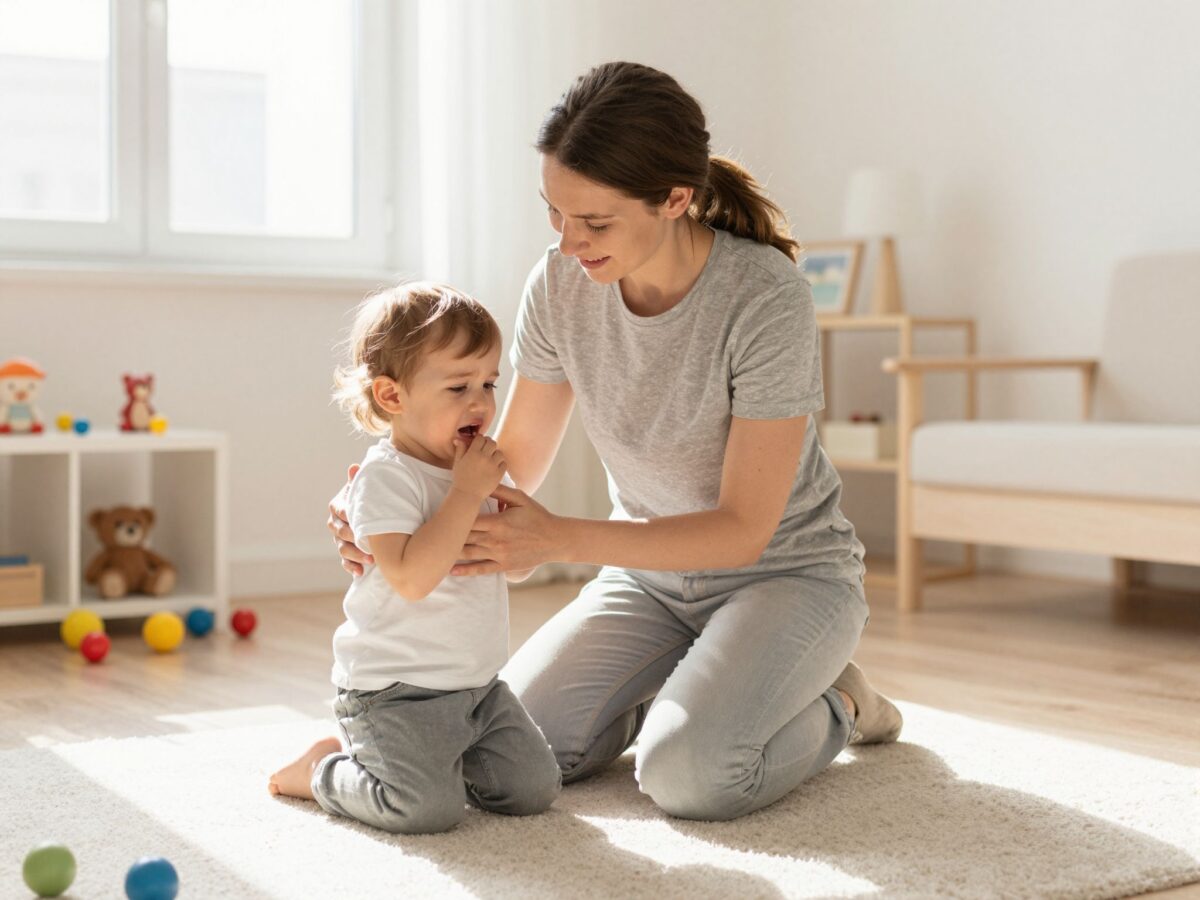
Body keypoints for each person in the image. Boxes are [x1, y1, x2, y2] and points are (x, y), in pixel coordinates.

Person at [329, 62, 902, 822]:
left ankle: (837, 701)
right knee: (508, 755)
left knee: (693, 775)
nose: (569, 244)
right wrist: (393, 503)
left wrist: (558, 538)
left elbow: (743, 530)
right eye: (555, 214)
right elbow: (515, 459)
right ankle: (708, 686)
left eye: (593, 223)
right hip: (649, 582)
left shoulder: (765, 297)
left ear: (675, 198)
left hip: (785, 575)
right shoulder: (562, 285)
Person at [271, 282, 560, 834]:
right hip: (395, 693)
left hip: (478, 686)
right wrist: (467, 494)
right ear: (392, 397)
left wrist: (513, 529)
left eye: (488, 383)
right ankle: (322, 772)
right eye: (457, 387)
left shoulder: (477, 468)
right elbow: (410, 578)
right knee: (425, 810)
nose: (480, 403)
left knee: (533, 792)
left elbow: (518, 565)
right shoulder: (387, 477)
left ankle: (440, 761)